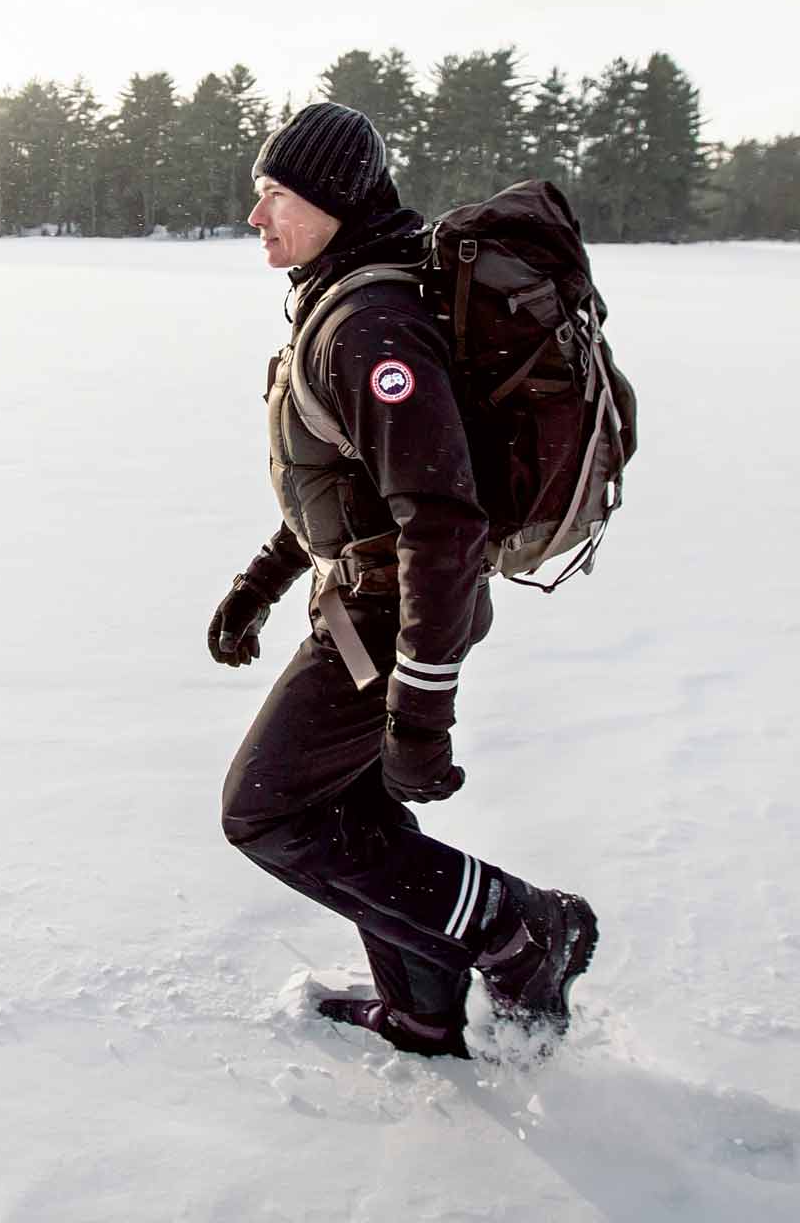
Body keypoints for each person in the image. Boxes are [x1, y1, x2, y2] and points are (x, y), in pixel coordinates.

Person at [209, 101, 596, 1058]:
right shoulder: (345, 302)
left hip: (396, 617)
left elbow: (442, 520)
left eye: (274, 196)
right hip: (368, 604)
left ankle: (520, 929)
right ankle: (425, 1012)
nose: (255, 217)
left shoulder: (373, 327)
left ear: (333, 201)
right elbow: (347, 490)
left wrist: (421, 709)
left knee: (265, 811)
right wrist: (261, 583)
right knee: (347, 808)